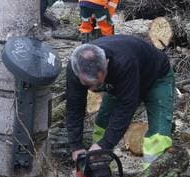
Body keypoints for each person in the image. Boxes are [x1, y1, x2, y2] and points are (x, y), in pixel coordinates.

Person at [65, 36, 175, 168]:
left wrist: (106, 144)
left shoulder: (123, 61)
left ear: (106, 63)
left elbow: (126, 107)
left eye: (97, 83)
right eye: (87, 85)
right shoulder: (75, 68)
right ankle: (99, 167)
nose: (94, 89)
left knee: (158, 138)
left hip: (156, 77)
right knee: (101, 125)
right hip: (119, 81)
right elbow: (73, 107)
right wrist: (76, 146)